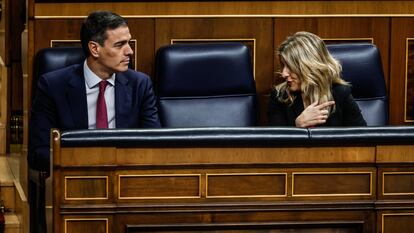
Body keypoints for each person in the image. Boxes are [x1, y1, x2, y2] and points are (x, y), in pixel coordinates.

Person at [28, 11, 161, 233]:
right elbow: (39, 152)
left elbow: (153, 144)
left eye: (129, 42)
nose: (130, 50)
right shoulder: (53, 86)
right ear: (94, 49)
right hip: (76, 185)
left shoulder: (140, 84)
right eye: (120, 44)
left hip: (127, 186)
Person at [268, 31, 367, 127]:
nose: (284, 73)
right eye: (283, 65)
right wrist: (297, 126)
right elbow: (273, 141)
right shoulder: (279, 96)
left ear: (310, 66)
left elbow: (363, 137)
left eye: (290, 66)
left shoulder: (340, 93)